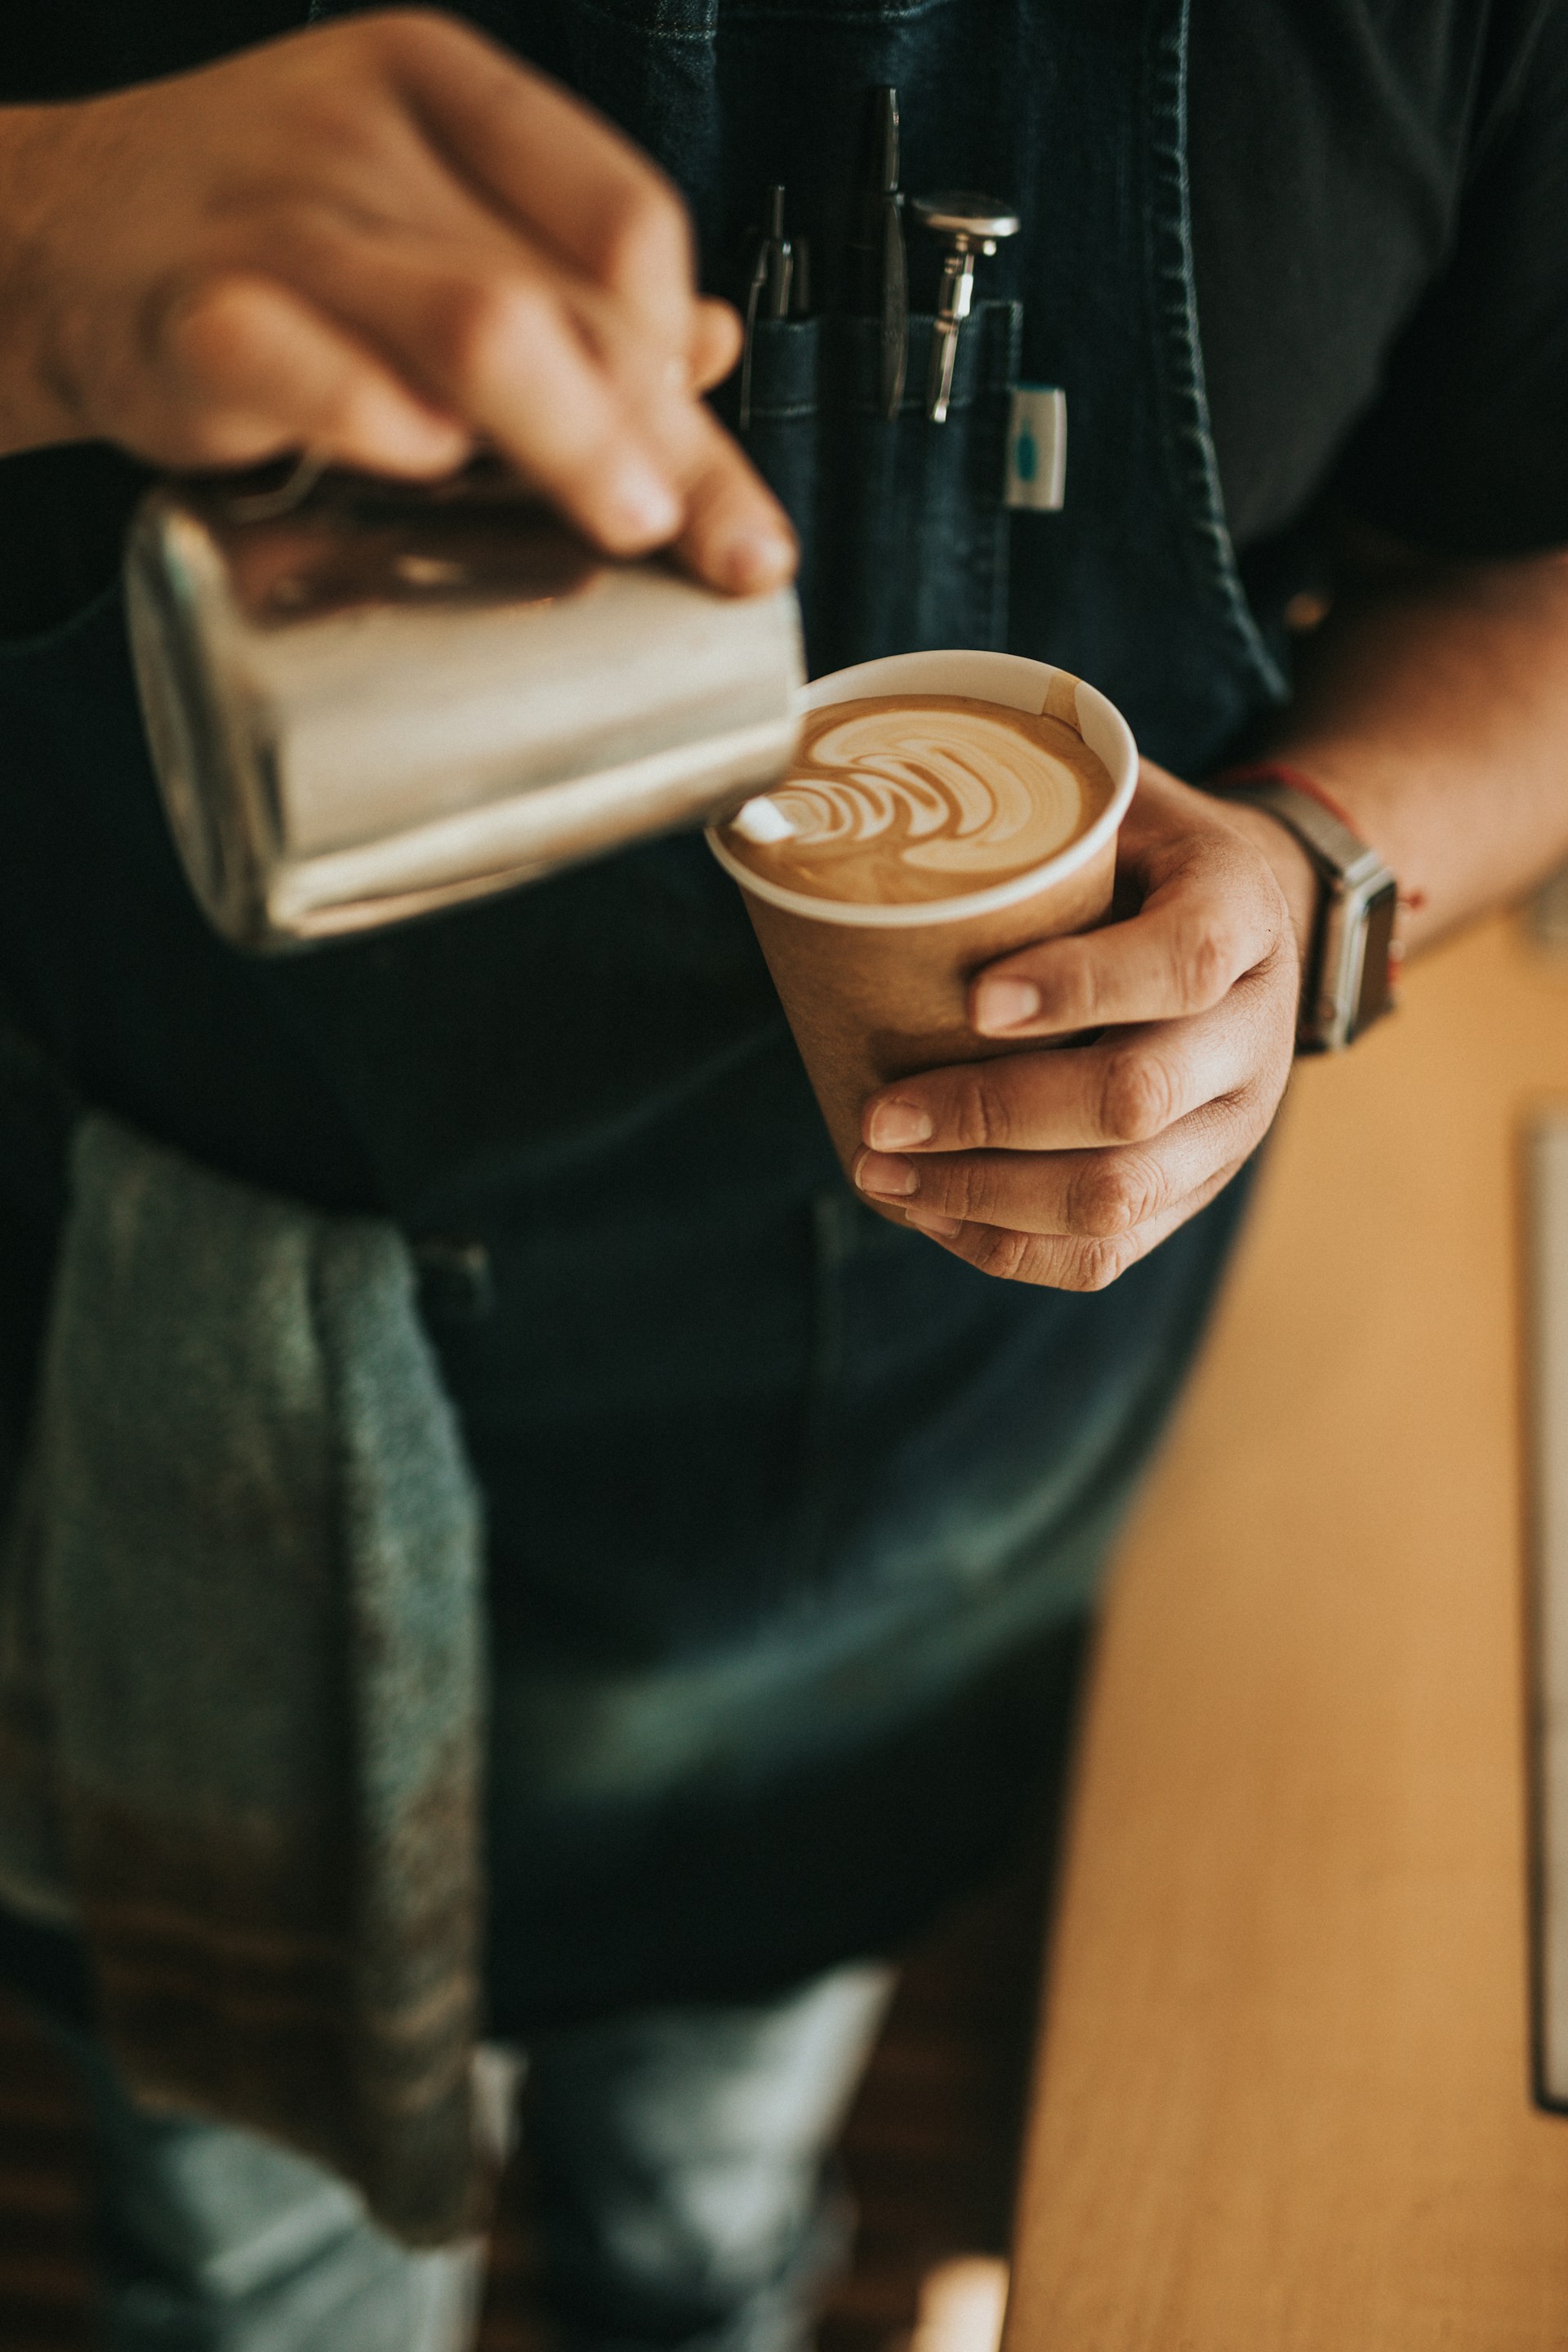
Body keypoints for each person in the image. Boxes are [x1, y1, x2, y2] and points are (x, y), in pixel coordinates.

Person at [1, 3, 1566, 2347]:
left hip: (921, 1487)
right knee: (260, 2266)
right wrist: (31, 244)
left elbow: (1534, 571)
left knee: (718, 2188)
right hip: (181, 1398)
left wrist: (1328, 869)